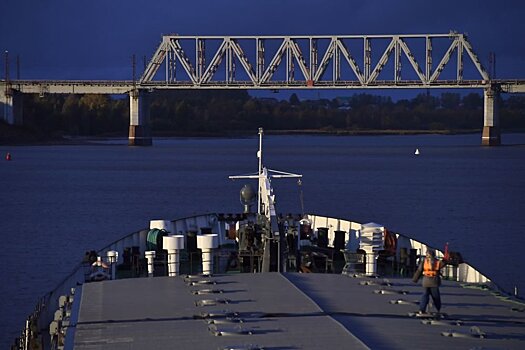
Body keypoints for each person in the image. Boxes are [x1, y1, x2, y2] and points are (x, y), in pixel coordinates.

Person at [412, 249, 445, 314]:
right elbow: (443, 263)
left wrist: (415, 279)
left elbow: (419, 271)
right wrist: (446, 259)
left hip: (426, 281)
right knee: (436, 296)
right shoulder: (437, 262)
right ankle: (438, 309)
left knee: (425, 295)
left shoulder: (424, 262)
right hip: (434, 281)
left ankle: (422, 309)